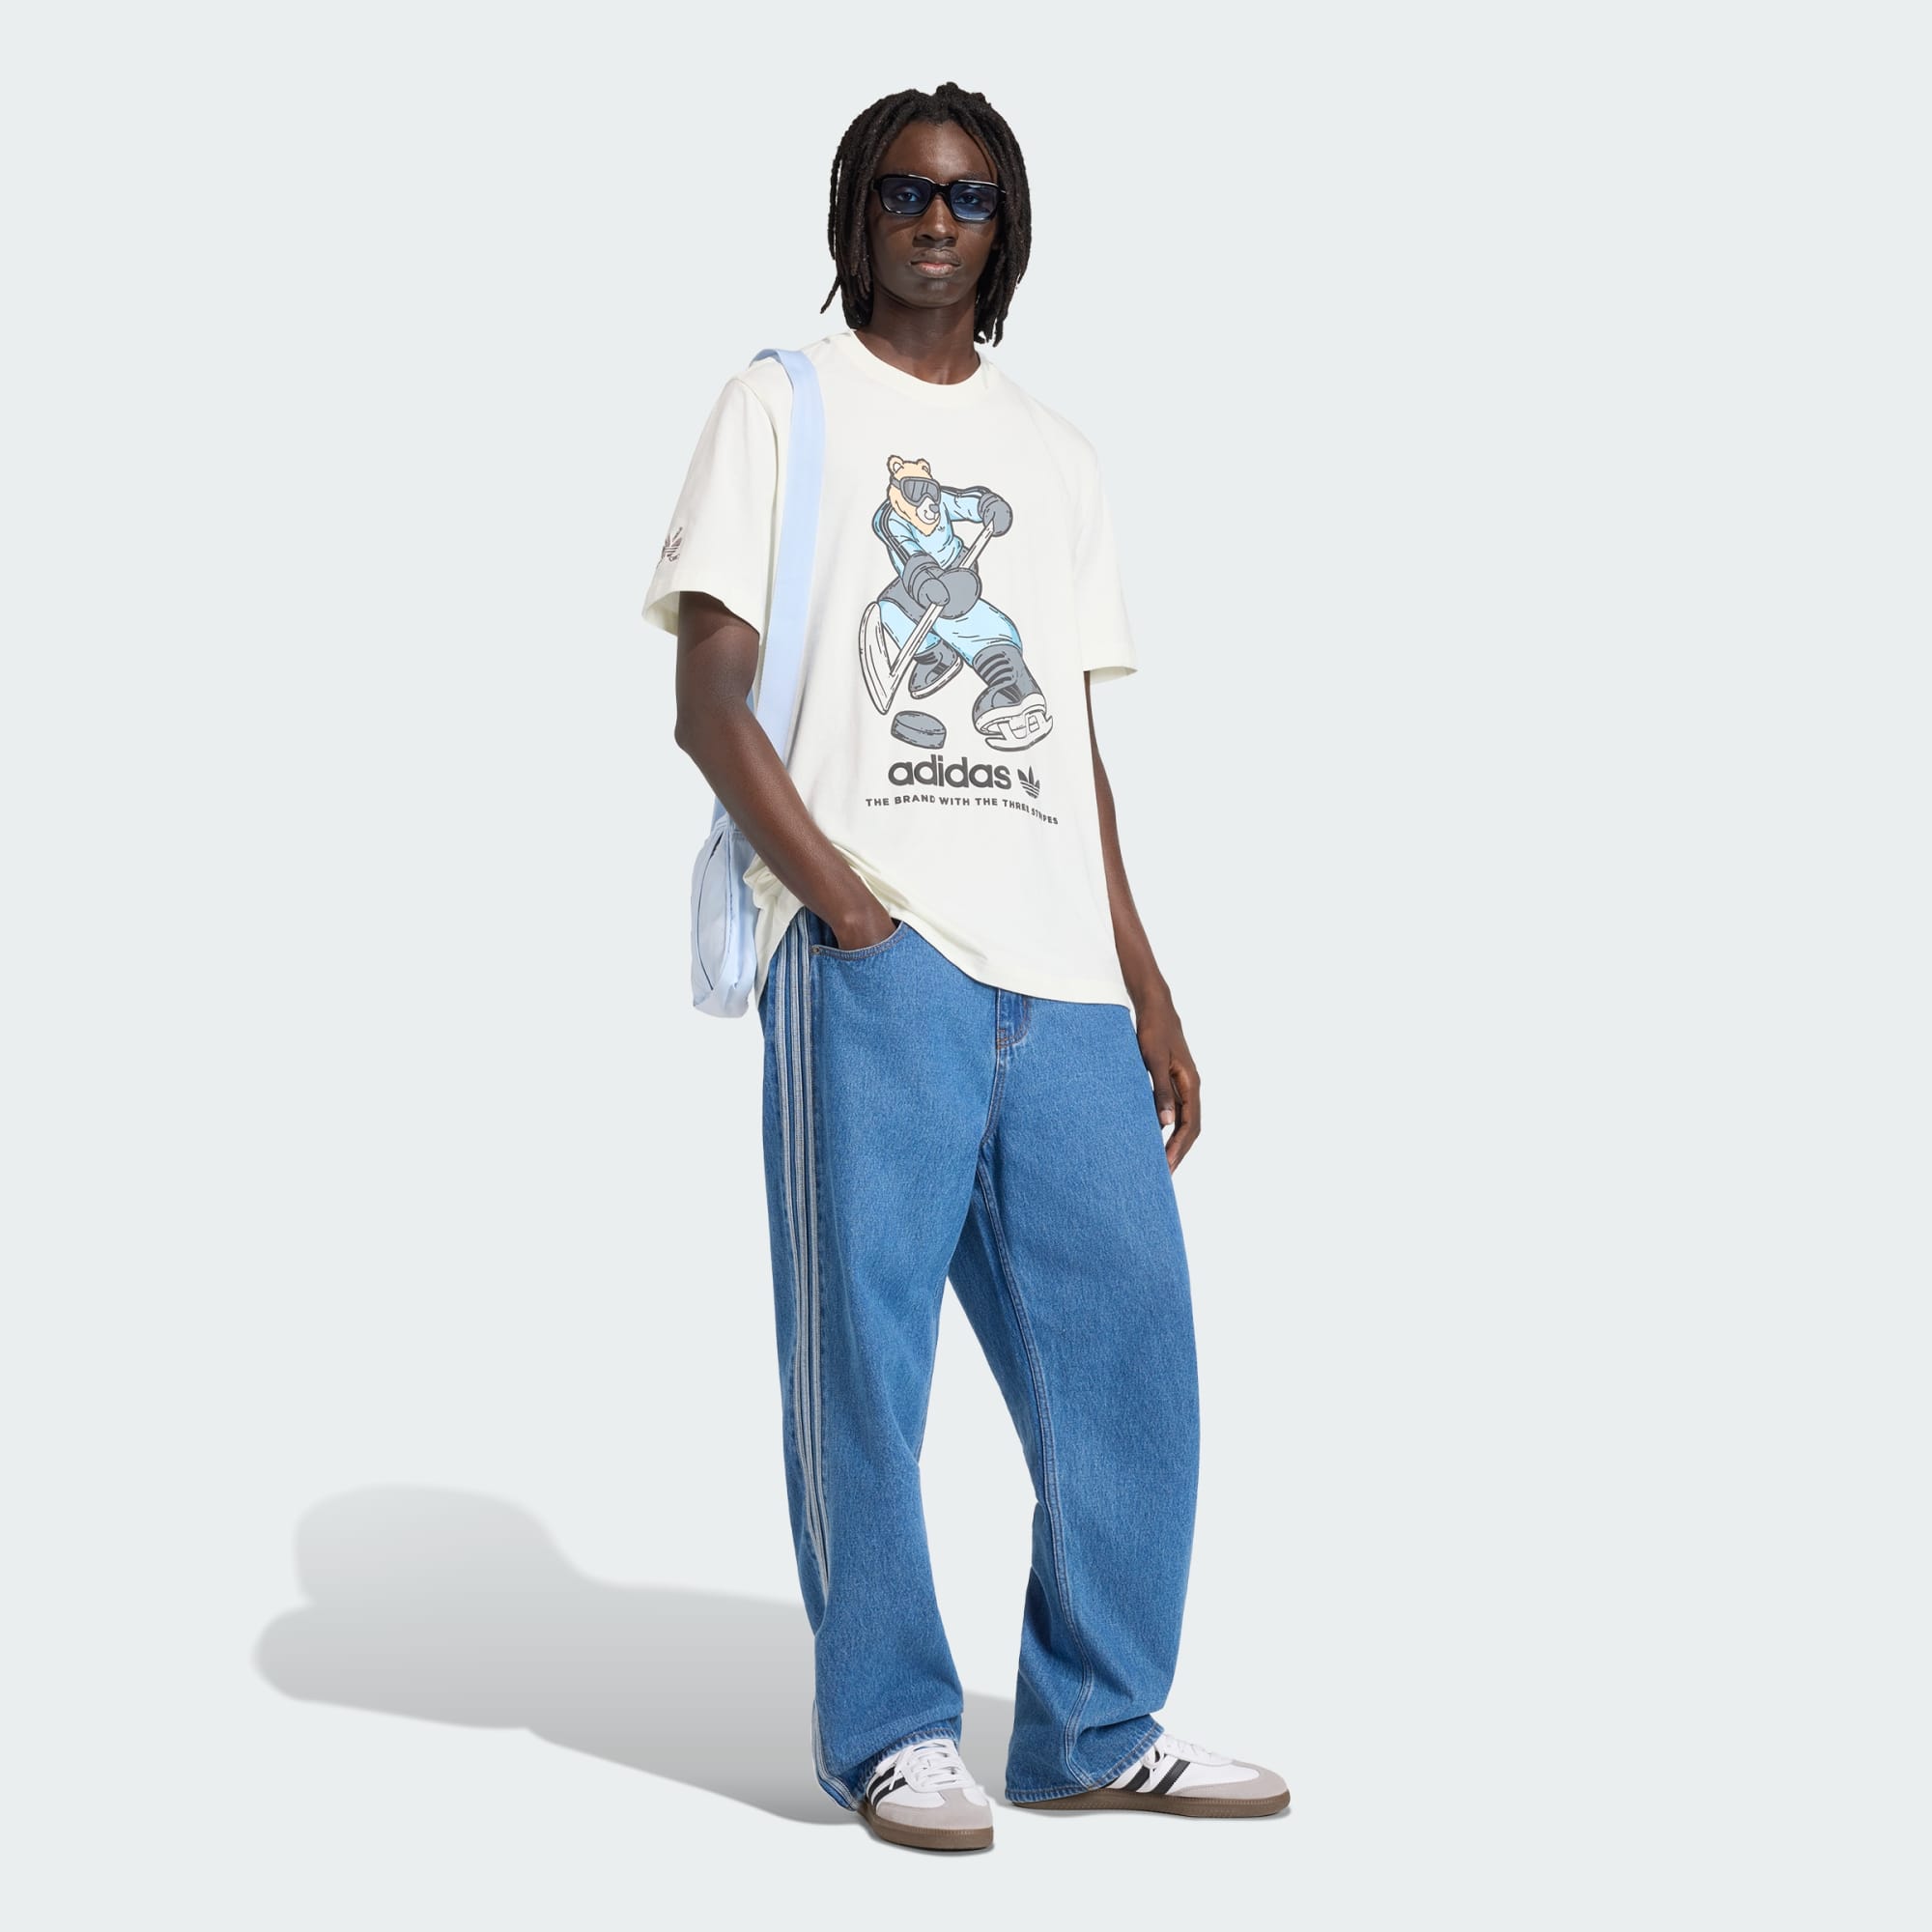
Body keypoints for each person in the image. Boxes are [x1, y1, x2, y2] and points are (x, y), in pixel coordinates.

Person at [643, 82, 1289, 1853]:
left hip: (1061, 975)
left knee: (1132, 1353)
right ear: (856, 211)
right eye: (908, 191)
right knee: (865, 1362)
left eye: (973, 196)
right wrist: (845, 911)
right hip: (879, 953)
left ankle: (1092, 1723)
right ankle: (890, 1730)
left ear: (1009, 231)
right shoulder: (777, 405)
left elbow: (1071, 747)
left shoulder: (1057, 455)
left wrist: (1145, 979)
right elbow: (709, 698)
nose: (938, 220)